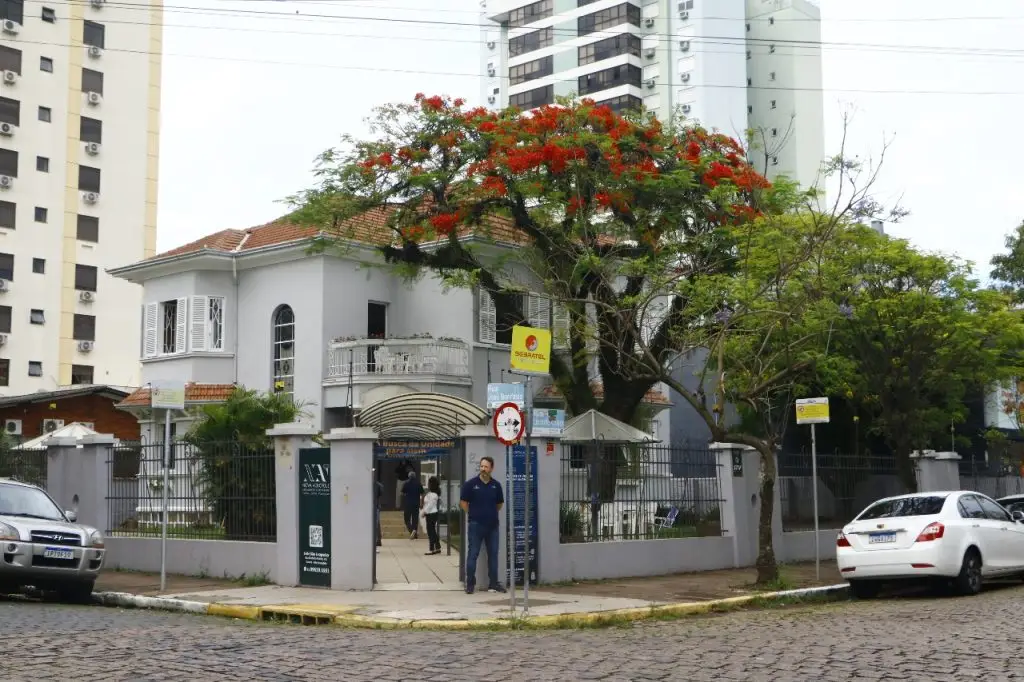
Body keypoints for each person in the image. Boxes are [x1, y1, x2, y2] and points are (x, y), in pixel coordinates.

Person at [460, 456, 505, 594]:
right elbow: (463, 503)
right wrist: (473, 514)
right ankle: (470, 584)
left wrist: (489, 513)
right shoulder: (470, 484)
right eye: (481, 466)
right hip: (476, 525)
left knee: (493, 555)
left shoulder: (496, 485)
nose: (483, 469)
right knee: (473, 554)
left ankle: (493, 584)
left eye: (486, 467)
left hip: (493, 526)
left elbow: (499, 504)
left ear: (491, 468)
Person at [421, 476, 442, 555]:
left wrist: (424, 512)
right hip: (430, 514)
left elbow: (430, 505)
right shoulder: (430, 493)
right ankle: (437, 546)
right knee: (432, 531)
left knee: (431, 532)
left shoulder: (434, 495)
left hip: (431, 514)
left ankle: (431, 548)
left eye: (429, 483)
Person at [401, 471, 424, 539]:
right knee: (415, 519)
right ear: (415, 476)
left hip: (408, 503)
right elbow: (422, 493)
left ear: (409, 476)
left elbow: (402, 493)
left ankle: (411, 531)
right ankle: (415, 533)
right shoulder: (418, 483)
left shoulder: (406, 483)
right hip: (416, 503)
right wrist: (421, 503)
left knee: (406, 519)